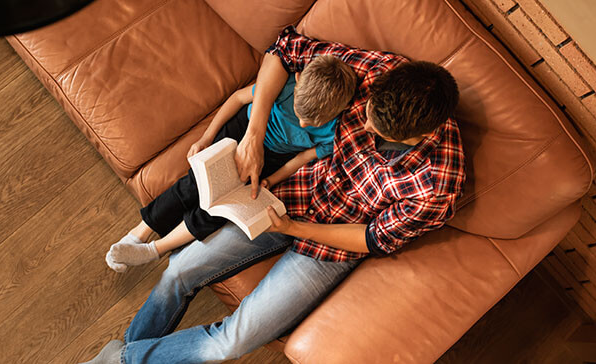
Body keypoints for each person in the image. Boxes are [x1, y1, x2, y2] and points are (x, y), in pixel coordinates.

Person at [82, 26, 465, 364]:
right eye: (365, 112)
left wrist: (296, 229)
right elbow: (284, 49)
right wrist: (254, 134)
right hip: (287, 195)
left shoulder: (438, 184)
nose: (363, 123)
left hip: (330, 248)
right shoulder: (377, 71)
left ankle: (123, 359)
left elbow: (370, 238)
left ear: (419, 137)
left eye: (377, 130)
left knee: (232, 342)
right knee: (179, 271)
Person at [105, 55, 357, 272]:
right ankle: (139, 233)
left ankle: (155, 249)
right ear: (299, 79)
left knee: (223, 208)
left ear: (341, 109)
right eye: (300, 116)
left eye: (312, 124)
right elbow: (238, 99)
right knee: (194, 185)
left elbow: (302, 157)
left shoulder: (332, 133)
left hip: (274, 159)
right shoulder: (285, 85)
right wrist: (206, 138)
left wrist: (272, 180)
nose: (303, 126)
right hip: (241, 131)